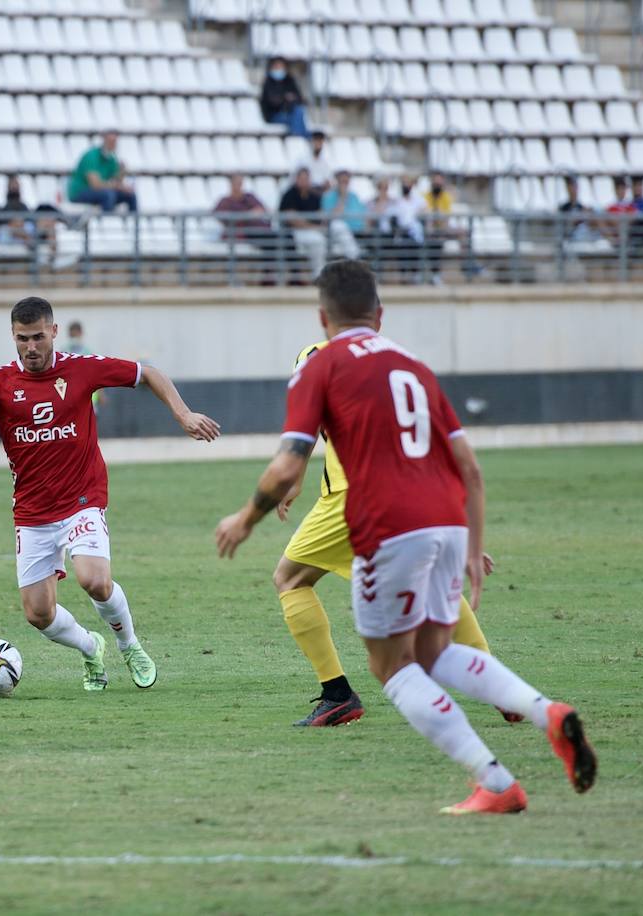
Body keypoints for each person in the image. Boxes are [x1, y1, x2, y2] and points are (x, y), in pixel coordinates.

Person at [216, 260, 597, 815]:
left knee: (394, 666)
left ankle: (494, 782)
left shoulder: (319, 365)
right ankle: (546, 712)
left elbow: (284, 465)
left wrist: (245, 519)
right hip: (443, 516)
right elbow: (468, 465)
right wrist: (468, 542)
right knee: (436, 651)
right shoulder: (413, 364)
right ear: (381, 313)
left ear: (323, 318)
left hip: (385, 523)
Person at [0, 296, 220, 691]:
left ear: (54, 331)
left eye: (38, 337)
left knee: (94, 580)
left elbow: (149, 373)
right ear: (13, 337)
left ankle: (130, 645)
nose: (31, 347)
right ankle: (91, 648)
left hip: (82, 498)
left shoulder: (82, 369)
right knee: (38, 613)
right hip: (33, 511)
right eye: (22, 339)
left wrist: (182, 413)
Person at [270, 339, 516, 727]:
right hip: (409, 491)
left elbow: (305, 427)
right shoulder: (400, 361)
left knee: (290, 579)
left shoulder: (314, 357)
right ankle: (499, 685)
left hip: (349, 499)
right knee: (432, 579)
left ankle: (337, 694)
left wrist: (287, 483)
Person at [67, 130, 137, 213]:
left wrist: (121, 174)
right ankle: (106, 223)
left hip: (101, 192)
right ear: (104, 140)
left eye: (114, 141)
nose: (113, 144)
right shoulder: (91, 156)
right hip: (80, 192)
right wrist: (117, 186)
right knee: (108, 195)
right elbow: (95, 185)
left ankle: (135, 224)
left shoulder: (112, 159)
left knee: (130, 195)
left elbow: (116, 181)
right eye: (111, 141)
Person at [279, 167, 326, 281]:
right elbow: (292, 219)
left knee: (319, 240)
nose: (304, 181)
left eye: (306, 178)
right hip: (292, 232)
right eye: (302, 178)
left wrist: (310, 225)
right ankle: (309, 277)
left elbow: (321, 215)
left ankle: (318, 276)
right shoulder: (289, 194)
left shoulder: (314, 196)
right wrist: (311, 226)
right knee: (315, 240)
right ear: (296, 179)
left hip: (312, 231)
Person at [260, 56, 309, 137]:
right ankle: (301, 138)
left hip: (290, 112)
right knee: (297, 118)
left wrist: (292, 99)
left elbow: (299, 98)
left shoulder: (289, 81)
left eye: (280, 67)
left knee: (299, 111)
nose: (278, 69)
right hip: (274, 115)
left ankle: (300, 138)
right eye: (276, 66)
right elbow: (270, 101)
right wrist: (285, 98)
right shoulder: (268, 83)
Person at [320, 169, 362, 261]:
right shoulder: (328, 196)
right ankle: (355, 257)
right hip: (335, 234)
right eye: (342, 181)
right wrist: (342, 197)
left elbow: (362, 217)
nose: (344, 184)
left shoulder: (354, 196)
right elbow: (331, 217)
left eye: (346, 182)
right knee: (338, 225)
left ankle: (353, 257)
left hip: (356, 232)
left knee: (339, 249)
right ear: (337, 181)